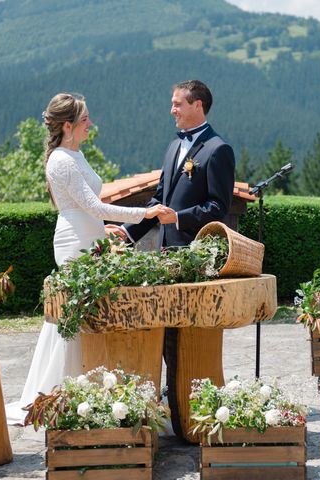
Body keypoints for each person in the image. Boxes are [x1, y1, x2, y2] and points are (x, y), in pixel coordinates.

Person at [5, 93, 172, 424]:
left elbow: (91, 208)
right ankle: (66, 389)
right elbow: (93, 206)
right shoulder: (62, 161)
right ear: (68, 126)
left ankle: (81, 385)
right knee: (77, 314)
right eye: (85, 120)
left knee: (86, 312)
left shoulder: (73, 155)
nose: (90, 124)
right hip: (74, 243)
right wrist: (146, 213)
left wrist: (103, 229)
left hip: (88, 237)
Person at [121, 80, 236, 435]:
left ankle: (193, 410)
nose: (172, 109)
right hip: (164, 257)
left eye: (177, 104)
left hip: (194, 257)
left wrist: (182, 218)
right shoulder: (173, 146)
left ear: (197, 105)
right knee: (165, 334)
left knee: (190, 339)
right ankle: (175, 408)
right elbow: (158, 201)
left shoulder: (218, 150)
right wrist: (125, 235)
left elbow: (220, 206)